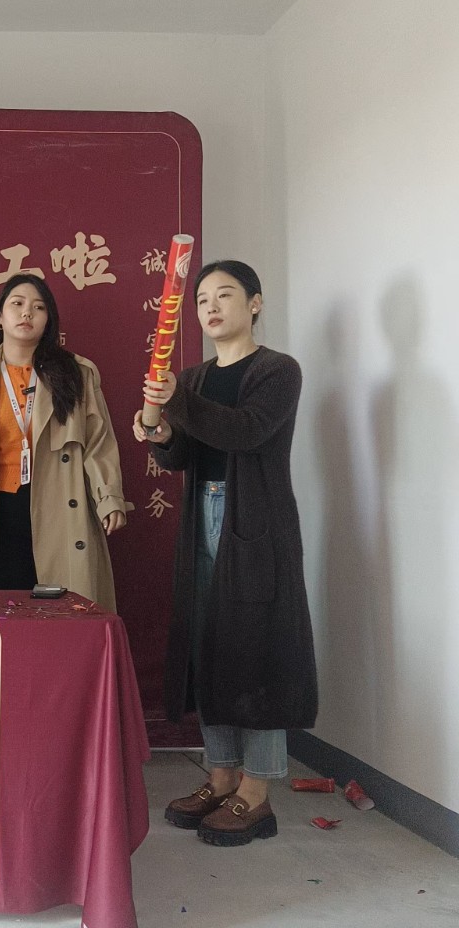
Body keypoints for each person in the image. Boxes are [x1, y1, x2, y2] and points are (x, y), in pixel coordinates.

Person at [133, 260, 317, 847]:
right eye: (202, 299)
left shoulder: (277, 370)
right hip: (202, 518)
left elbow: (246, 432)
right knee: (208, 642)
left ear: (255, 303)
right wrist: (161, 431)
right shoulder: (192, 377)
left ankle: (256, 792)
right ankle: (220, 776)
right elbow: (182, 456)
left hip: (256, 523)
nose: (210, 307)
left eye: (225, 295)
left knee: (257, 648)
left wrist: (176, 405)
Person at [0, 274, 128, 607]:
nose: (26, 313)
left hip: (59, 505)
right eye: (17, 304)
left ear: (48, 321)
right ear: (0, 318)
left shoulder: (76, 373)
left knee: (60, 610)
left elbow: (98, 441)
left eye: (38, 307)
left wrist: (109, 497)